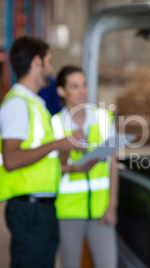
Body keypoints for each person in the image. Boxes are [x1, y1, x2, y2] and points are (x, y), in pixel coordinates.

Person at [0, 36, 83, 267]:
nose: (51, 69)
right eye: (49, 61)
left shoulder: (35, 104)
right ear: (36, 62)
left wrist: (68, 156)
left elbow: (43, 158)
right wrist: (58, 144)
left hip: (41, 208)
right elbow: (12, 159)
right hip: (29, 209)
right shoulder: (17, 105)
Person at [51, 65, 118, 268]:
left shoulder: (104, 118)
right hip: (67, 211)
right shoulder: (54, 124)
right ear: (61, 91)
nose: (82, 91)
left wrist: (111, 206)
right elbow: (51, 168)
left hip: (101, 211)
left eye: (84, 85)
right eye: (75, 86)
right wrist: (73, 167)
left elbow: (113, 165)